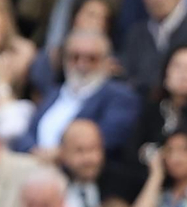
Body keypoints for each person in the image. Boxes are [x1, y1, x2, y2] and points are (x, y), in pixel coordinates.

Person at [18, 26, 140, 161]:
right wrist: (34, 151)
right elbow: (29, 132)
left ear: (107, 62)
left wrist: (61, 154)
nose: (82, 64)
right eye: (75, 57)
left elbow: (107, 138)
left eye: (92, 58)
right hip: (34, 163)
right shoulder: (55, 92)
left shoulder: (120, 97)